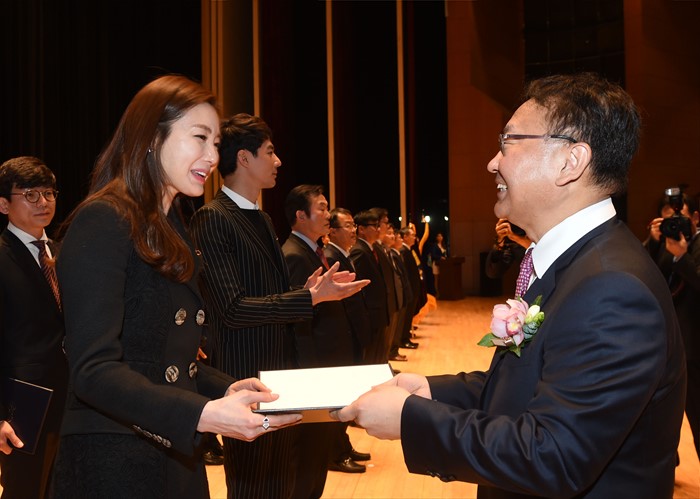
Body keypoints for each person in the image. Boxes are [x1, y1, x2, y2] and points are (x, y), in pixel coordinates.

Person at [334, 73, 687, 498]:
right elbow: (526, 386)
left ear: (570, 161)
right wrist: (428, 391)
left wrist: (412, 420)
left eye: (509, 142)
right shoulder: (574, 263)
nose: (492, 162)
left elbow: (555, 456)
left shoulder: (612, 288)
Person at [50, 75, 300, 499]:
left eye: (216, 143)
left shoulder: (172, 227)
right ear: (152, 137)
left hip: (173, 454)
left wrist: (224, 388)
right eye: (199, 138)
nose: (212, 156)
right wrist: (202, 413)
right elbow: (93, 371)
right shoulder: (104, 219)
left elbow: (163, 357)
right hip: (114, 464)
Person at [189, 114, 367, 498]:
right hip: (246, 378)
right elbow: (232, 308)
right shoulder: (213, 218)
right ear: (244, 158)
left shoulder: (263, 219)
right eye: (270, 152)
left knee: (281, 483)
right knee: (254, 487)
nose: (278, 161)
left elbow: (268, 295)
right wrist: (308, 298)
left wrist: (306, 291)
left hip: (280, 376)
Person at [281, 185, 359, 495]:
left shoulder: (314, 251)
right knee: (309, 454)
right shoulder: (293, 254)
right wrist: (312, 376)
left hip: (326, 364)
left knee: (318, 451)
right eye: (322, 208)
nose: (328, 214)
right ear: (301, 215)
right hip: (314, 369)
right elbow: (295, 321)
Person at [0, 156, 68, 499]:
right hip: (23, 404)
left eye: (49, 193)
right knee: (24, 491)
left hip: (74, 397)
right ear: (3, 204)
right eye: (30, 195)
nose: (43, 202)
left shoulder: (64, 252)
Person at [644, 190, 700, 460]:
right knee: (663, 414)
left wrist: (681, 257)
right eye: (668, 221)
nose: (675, 226)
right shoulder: (664, 244)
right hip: (664, 346)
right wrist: (653, 242)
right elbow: (645, 275)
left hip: (695, 348)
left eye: (681, 219)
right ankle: (666, 464)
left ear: (696, 218)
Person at [324, 207, 372, 474]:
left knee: (348, 395)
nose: (353, 230)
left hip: (351, 335)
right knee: (338, 398)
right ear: (332, 231)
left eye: (354, 225)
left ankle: (343, 444)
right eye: (348, 226)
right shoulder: (331, 257)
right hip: (340, 338)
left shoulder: (343, 254)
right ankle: (336, 453)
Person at [349, 210, 389, 365]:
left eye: (379, 225)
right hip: (371, 314)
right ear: (361, 229)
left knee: (379, 355)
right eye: (374, 226)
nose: (378, 229)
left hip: (378, 312)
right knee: (371, 358)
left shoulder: (371, 248)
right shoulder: (359, 250)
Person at [485, 218, 533, 284]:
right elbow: (493, 272)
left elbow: (538, 249)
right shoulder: (511, 239)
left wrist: (516, 238)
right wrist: (500, 240)